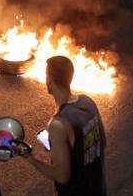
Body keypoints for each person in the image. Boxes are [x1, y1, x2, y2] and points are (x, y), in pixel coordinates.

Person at [18, 56, 107, 196]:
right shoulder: (88, 102)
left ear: (49, 79)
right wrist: (56, 144)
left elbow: (62, 176)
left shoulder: (58, 124)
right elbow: (98, 143)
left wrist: (29, 157)